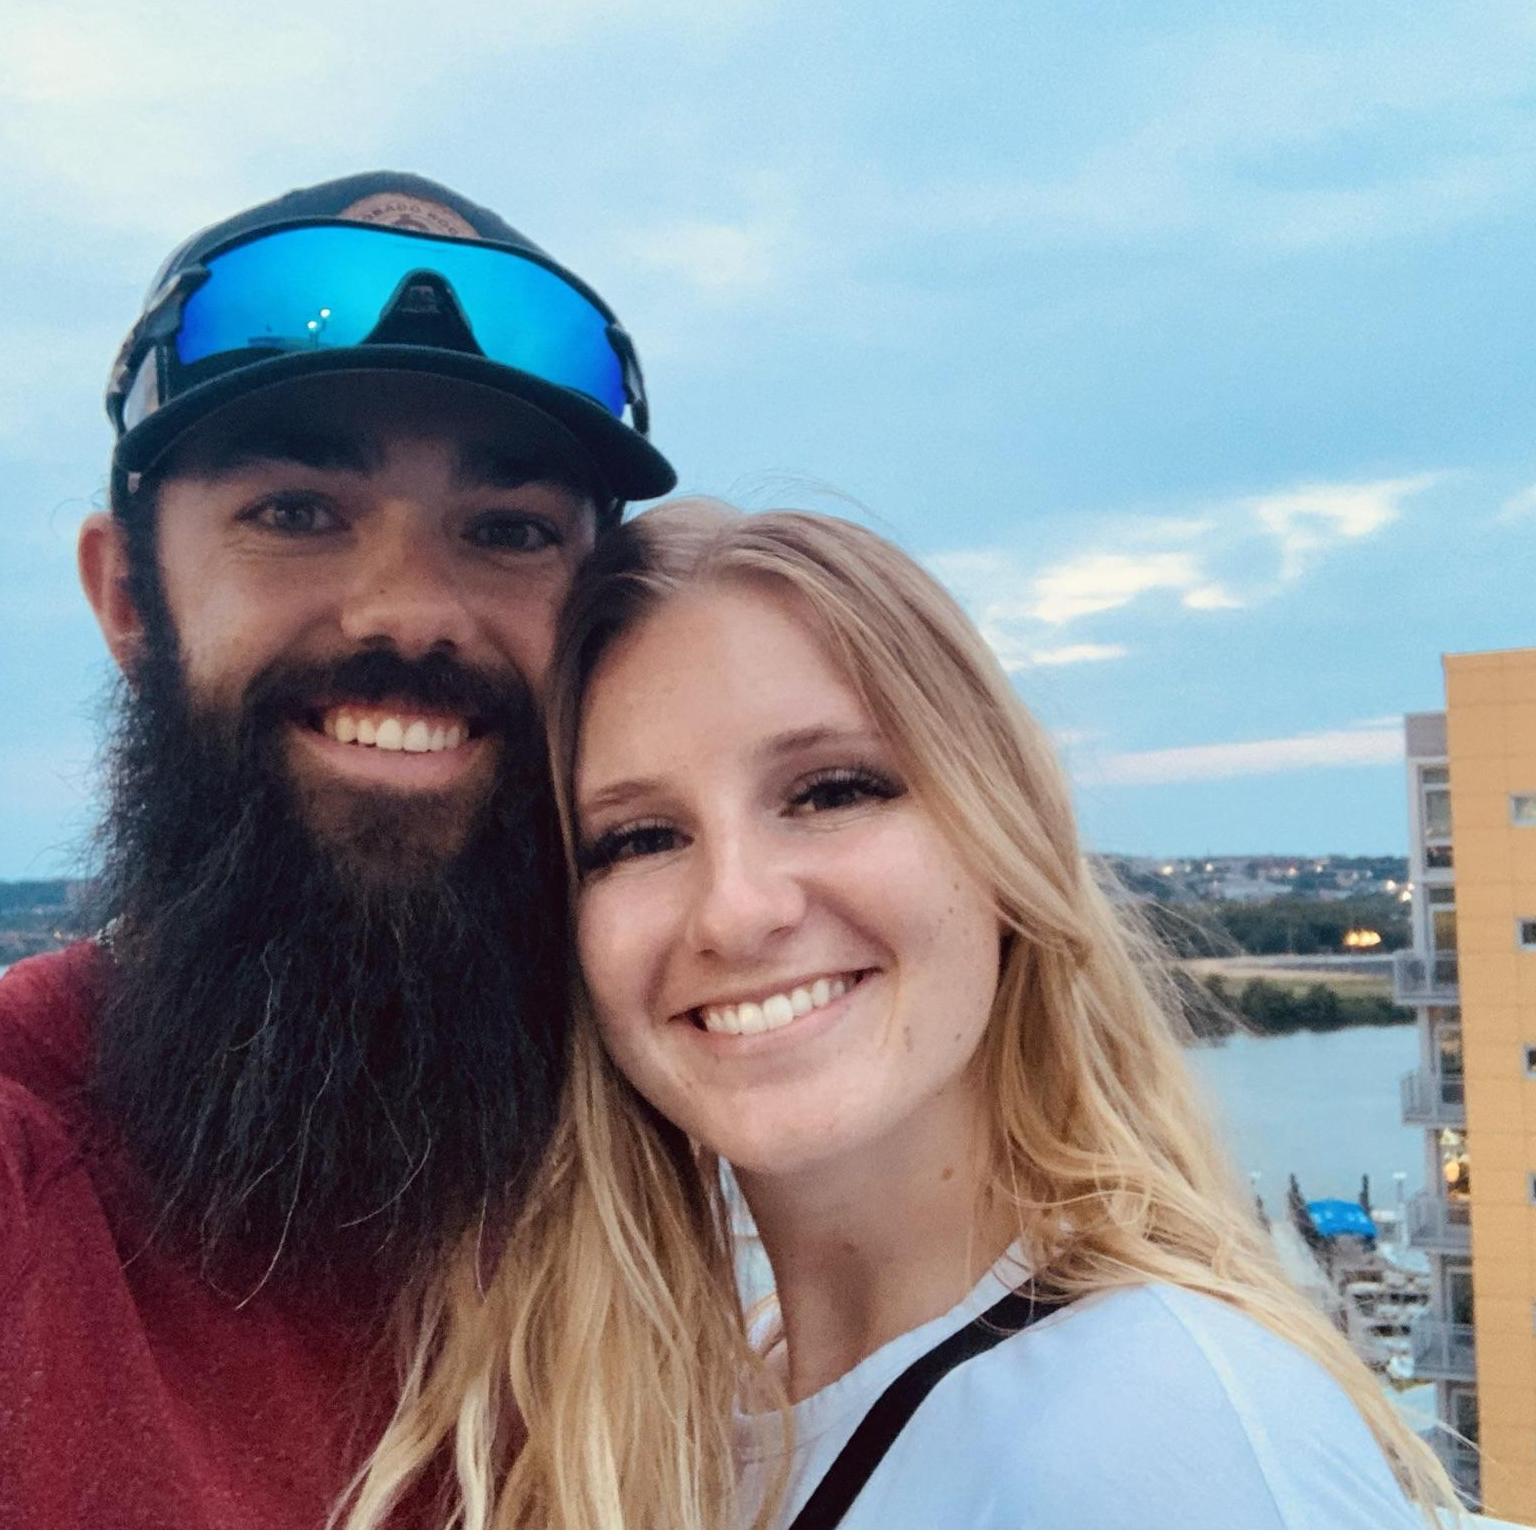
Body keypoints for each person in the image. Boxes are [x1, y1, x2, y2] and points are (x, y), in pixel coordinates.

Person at [353, 500, 1464, 1528]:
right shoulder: (696, 1416)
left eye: (832, 790)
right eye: (639, 839)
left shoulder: (1163, 1440)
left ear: (1001, 840)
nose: (737, 912)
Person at [0, 170, 674, 1528]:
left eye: (509, 531)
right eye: (298, 511)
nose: (411, 613)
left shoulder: (690, 1111)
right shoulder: (29, 1162)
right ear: (131, 599)